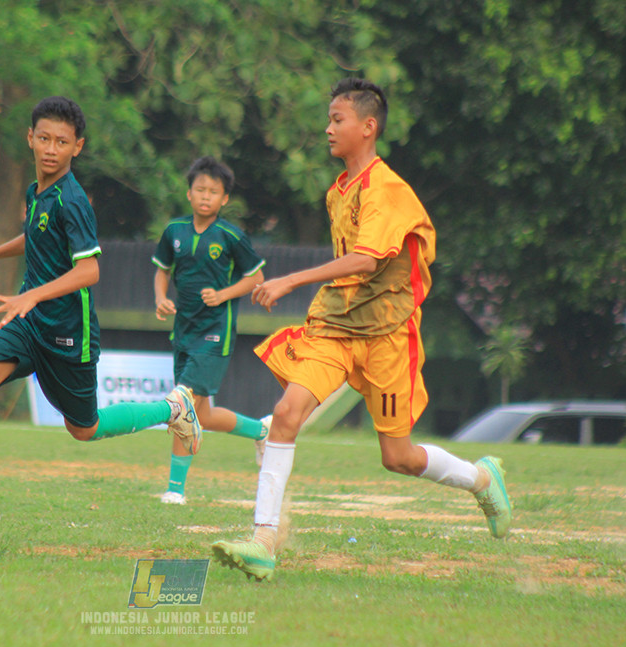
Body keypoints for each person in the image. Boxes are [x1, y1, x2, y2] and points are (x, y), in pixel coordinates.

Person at [210, 78, 512, 582]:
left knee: (398, 457)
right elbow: (351, 269)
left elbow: (368, 261)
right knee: (285, 415)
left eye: (337, 119)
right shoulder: (338, 191)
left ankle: (482, 478)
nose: (328, 129)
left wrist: (290, 279)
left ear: (368, 127)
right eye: (329, 119)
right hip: (336, 328)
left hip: (388, 336)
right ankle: (264, 540)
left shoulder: (388, 190)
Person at [0, 96, 201, 521]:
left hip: (68, 333)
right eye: (44, 139)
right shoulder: (36, 192)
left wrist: (34, 294)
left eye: (62, 141)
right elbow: (36, 236)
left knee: (84, 428)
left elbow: (89, 269)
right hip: (28, 322)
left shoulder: (73, 200)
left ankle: (174, 409)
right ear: (30, 139)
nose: (52, 149)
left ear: (78, 146)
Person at [151, 156, 269, 505]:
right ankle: (262, 431)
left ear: (224, 199)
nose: (206, 196)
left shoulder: (231, 235)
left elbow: (256, 277)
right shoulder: (174, 231)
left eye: (213, 192)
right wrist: (160, 298)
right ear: (189, 194)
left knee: (183, 404)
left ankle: (175, 490)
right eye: (200, 189)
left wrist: (223, 295)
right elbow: (162, 270)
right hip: (183, 330)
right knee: (201, 415)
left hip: (217, 330)